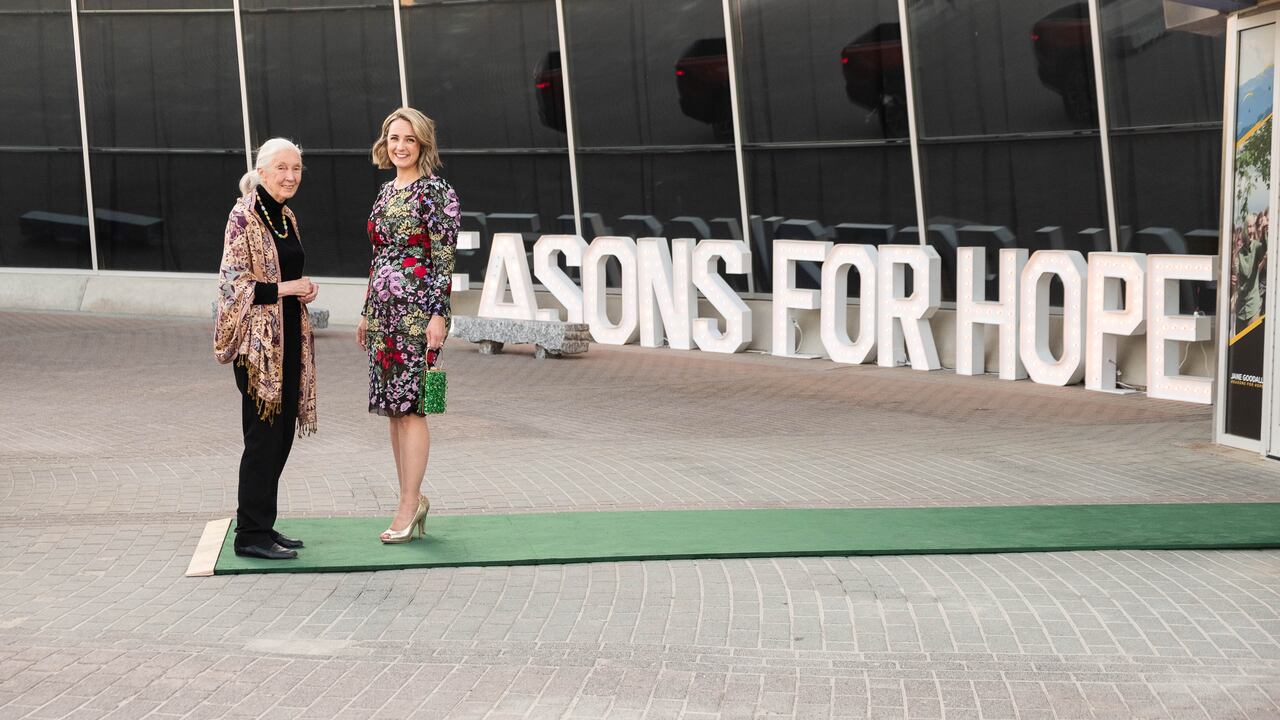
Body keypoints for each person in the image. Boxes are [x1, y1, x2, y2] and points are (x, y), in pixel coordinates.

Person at [357, 107, 460, 544]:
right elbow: (379, 257)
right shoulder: (384, 193)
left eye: (409, 140)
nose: (400, 146)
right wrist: (365, 311)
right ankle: (408, 499)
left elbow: (443, 258)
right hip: (383, 315)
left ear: (423, 145)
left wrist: (440, 315)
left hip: (418, 313)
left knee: (414, 406)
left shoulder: (437, 193)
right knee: (394, 411)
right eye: (394, 138)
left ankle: (409, 502)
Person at [214, 138, 319, 560]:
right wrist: (286, 288)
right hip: (258, 347)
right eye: (282, 168)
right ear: (261, 171)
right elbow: (232, 283)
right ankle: (249, 534)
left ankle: (264, 525)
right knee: (262, 438)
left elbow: (285, 270)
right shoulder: (243, 215)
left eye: (296, 168)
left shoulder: (285, 215)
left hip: (290, 337)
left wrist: (301, 290)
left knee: (281, 437)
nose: (291, 176)